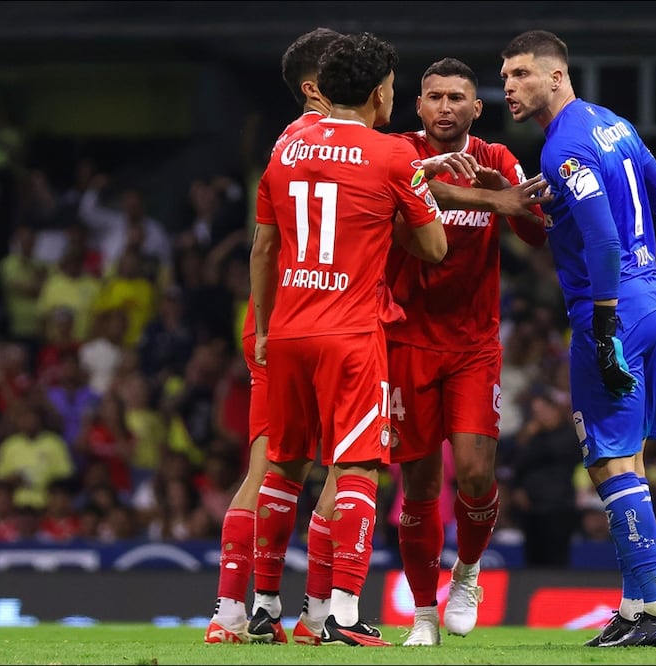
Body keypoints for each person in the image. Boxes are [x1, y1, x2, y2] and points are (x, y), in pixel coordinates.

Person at [500, 30, 656, 648]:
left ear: (556, 76)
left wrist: (605, 326)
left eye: (521, 75)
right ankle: (637, 605)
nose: (509, 87)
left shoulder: (564, 149)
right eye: (505, 77)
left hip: (610, 309)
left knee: (608, 462)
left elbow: (605, 242)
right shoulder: (614, 124)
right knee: (631, 459)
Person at [248, 31, 449, 647]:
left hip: (286, 329)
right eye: (392, 87)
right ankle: (339, 612)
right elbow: (436, 247)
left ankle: (261, 608)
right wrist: (403, 201)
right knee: (357, 467)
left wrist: (259, 327)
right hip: (351, 333)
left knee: (282, 466)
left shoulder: (286, 144)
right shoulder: (392, 157)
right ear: (378, 93)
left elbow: (266, 240)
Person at [383, 57, 547, 647]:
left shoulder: (499, 159)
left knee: (476, 476)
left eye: (458, 97)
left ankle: (468, 572)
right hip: (405, 339)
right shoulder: (398, 153)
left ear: (478, 108)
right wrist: (492, 203)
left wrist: (508, 197)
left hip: (475, 344)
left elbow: (535, 229)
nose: (446, 107)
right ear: (419, 105)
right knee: (420, 488)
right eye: (435, 97)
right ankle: (423, 614)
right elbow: (413, 188)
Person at [204, 26, 342, 646]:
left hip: (278, 319)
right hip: (302, 319)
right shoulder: (320, 145)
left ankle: (247, 610)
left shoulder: (288, 145)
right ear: (316, 88)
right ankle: (301, 612)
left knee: (284, 465)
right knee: (321, 465)